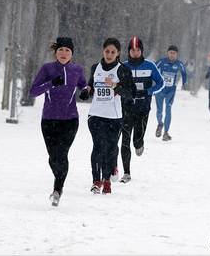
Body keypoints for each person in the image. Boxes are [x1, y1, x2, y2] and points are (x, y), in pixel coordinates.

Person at [29, 37, 89, 206]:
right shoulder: (47, 68)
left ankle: (57, 189)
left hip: (70, 120)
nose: (64, 53)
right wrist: (51, 84)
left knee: (62, 154)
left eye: (67, 51)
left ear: (72, 54)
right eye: (61, 50)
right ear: (56, 52)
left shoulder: (76, 70)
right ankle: (59, 180)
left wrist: (84, 92)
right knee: (53, 157)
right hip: (49, 120)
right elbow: (33, 92)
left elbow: (84, 85)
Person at [86, 37, 135, 194]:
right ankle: (96, 181)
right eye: (107, 51)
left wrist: (114, 86)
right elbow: (90, 86)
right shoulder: (96, 68)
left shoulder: (122, 70)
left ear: (118, 53)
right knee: (98, 146)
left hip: (114, 116)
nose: (109, 54)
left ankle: (107, 179)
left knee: (110, 148)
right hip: (95, 114)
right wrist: (85, 92)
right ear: (103, 51)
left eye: (113, 52)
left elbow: (131, 93)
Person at [119, 37, 164, 183]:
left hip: (143, 109)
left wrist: (148, 91)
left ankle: (140, 143)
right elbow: (115, 84)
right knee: (125, 139)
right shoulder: (122, 66)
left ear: (142, 51)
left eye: (138, 50)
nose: (135, 53)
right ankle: (126, 173)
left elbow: (161, 83)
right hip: (126, 108)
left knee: (136, 141)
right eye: (132, 50)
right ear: (128, 51)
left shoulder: (150, 66)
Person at [154, 45, 187, 141]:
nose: (172, 55)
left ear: (176, 54)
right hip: (160, 90)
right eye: (170, 53)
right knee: (159, 110)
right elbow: (152, 69)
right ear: (167, 53)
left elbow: (184, 72)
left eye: (174, 53)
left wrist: (185, 81)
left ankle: (166, 132)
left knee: (168, 109)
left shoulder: (179, 63)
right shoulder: (161, 61)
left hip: (171, 90)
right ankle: (160, 124)